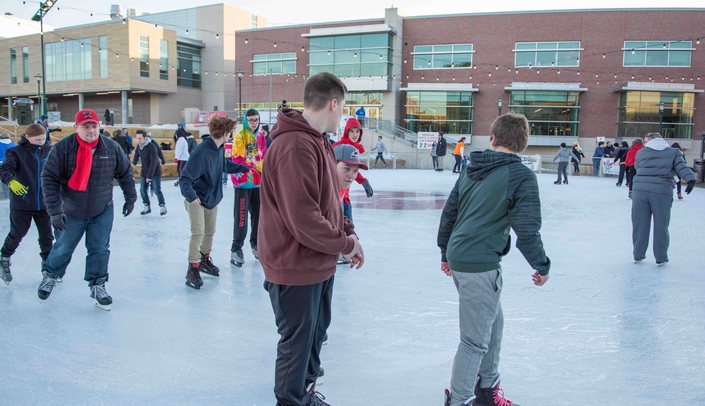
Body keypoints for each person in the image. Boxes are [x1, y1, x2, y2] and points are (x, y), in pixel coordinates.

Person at [259, 72, 365, 406]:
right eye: (343, 107)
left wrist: (347, 230)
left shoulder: (317, 140)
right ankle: (291, 401)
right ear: (333, 104)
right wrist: (346, 245)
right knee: (297, 345)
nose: (343, 114)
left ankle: (305, 394)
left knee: (314, 340)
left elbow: (328, 201)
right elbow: (304, 219)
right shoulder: (294, 146)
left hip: (318, 264)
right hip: (295, 264)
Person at [438, 113, 551, 406]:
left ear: (492, 139)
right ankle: (459, 399)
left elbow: (450, 213)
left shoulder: (471, 167)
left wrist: (444, 252)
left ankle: (487, 390)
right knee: (474, 340)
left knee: (493, 325)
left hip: (462, 256)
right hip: (479, 264)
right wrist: (542, 265)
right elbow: (527, 229)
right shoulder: (520, 176)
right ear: (523, 144)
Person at [37, 109, 137, 311]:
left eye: (94, 126)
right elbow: (49, 179)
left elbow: (125, 173)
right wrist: (55, 211)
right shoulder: (63, 148)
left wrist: (131, 198)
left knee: (100, 249)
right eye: (86, 126)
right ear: (76, 127)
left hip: (102, 209)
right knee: (63, 247)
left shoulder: (111, 147)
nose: (91, 130)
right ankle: (50, 274)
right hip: (71, 210)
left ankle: (97, 285)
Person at [179, 116, 249, 288]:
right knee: (198, 233)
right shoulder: (200, 153)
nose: (231, 136)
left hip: (211, 198)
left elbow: (222, 164)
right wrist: (191, 196)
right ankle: (192, 268)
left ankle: (203, 259)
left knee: (209, 232)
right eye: (230, 133)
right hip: (196, 199)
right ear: (224, 133)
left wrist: (242, 167)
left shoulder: (218, 148)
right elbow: (185, 178)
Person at [0, 124, 53, 285]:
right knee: (17, 234)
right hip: (22, 203)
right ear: (27, 137)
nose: (41, 142)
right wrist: (12, 181)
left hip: (44, 203)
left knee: (47, 237)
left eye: (43, 139)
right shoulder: (15, 152)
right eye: (38, 140)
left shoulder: (48, 151)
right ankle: (4, 259)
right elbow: (4, 170)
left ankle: (48, 266)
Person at [631, 132, 695, 266]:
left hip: (640, 191)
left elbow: (637, 168)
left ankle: (638, 254)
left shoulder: (641, 153)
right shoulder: (673, 152)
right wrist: (690, 179)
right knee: (661, 225)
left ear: (649, 141)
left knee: (640, 223)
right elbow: (681, 167)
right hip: (661, 191)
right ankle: (661, 257)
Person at [229, 108, 268, 268]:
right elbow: (237, 158)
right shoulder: (240, 137)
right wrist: (251, 167)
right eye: (251, 120)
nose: (254, 123)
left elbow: (264, 156)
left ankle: (256, 244)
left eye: (256, 120)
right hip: (243, 182)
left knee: (258, 215)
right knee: (242, 217)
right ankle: (236, 248)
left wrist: (265, 171)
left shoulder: (260, 137)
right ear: (246, 121)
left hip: (257, 182)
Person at [332, 117, 373, 221]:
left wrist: (364, 182)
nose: (355, 135)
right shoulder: (339, 147)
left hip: (345, 196)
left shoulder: (354, 147)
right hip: (335, 195)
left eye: (357, 131)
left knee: (348, 227)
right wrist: (363, 181)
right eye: (352, 131)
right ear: (346, 132)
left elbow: (352, 169)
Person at [133, 130, 167, 216]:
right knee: (142, 190)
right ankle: (146, 206)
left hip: (154, 171)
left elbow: (154, 162)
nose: (139, 140)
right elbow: (137, 153)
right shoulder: (139, 146)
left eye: (140, 138)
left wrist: (149, 176)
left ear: (145, 138)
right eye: (137, 139)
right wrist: (134, 162)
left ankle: (162, 206)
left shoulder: (152, 147)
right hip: (144, 171)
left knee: (156, 189)